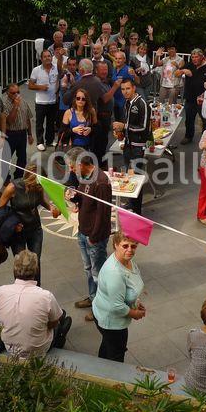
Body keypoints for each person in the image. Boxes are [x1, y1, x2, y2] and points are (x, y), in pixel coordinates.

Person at [0, 250, 72, 359]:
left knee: (54, 314)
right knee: (58, 319)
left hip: (10, 347)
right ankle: (60, 336)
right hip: (38, 349)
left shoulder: (1, 291)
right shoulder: (45, 296)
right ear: (36, 271)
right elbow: (53, 322)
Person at [65, 147, 112, 321]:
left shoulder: (101, 182)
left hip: (94, 236)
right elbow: (85, 198)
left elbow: (103, 213)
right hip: (83, 231)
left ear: (82, 163)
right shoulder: (84, 177)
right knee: (88, 269)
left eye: (72, 166)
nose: (70, 169)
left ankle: (101, 307)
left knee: (98, 274)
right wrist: (74, 197)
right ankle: (93, 298)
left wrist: (94, 237)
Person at [0, 164, 59, 284]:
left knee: (35, 261)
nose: (38, 187)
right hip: (18, 231)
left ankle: (36, 289)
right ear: (28, 180)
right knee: (21, 264)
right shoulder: (12, 188)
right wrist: (12, 225)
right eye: (35, 184)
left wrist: (51, 208)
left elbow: (40, 200)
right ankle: (19, 290)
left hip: (35, 228)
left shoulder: (38, 186)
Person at [92, 232, 146, 362]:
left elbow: (130, 285)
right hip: (112, 322)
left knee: (107, 346)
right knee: (116, 355)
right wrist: (134, 313)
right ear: (115, 245)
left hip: (107, 314)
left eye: (133, 246)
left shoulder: (127, 261)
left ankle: (100, 367)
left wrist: (135, 302)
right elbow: (116, 306)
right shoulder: (114, 273)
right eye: (125, 246)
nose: (129, 250)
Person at [112, 77, 150, 214]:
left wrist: (124, 126)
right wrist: (120, 133)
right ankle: (130, 204)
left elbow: (144, 128)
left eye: (128, 88)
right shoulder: (127, 103)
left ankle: (137, 211)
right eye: (122, 89)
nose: (125, 92)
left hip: (138, 147)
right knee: (130, 177)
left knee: (136, 179)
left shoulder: (142, 103)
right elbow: (126, 125)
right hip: (128, 145)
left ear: (134, 88)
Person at [178, 49, 206, 144]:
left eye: (196, 57)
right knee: (189, 119)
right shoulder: (189, 65)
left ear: (202, 57)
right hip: (189, 98)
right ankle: (188, 136)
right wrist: (182, 71)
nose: (194, 59)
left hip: (203, 100)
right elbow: (176, 74)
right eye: (192, 57)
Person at [29, 49, 61, 151]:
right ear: (41, 59)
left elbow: (60, 80)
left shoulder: (56, 68)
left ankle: (50, 140)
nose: (47, 58)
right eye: (45, 56)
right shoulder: (36, 70)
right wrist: (40, 87)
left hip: (53, 101)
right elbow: (30, 85)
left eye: (49, 56)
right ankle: (39, 142)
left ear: (51, 57)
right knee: (39, 123)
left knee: (51, 123)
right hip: (40, 102)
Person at [2, 83, 34, 180]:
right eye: (13, 93)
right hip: (10, 134)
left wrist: (30, 134)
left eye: (18, 92)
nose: (16, 95)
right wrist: (15, 106)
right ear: (7, 93)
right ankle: (5, 179)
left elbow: (27, 118)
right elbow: (10, 121)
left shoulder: (23, 101)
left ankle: (18, 178)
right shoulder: (4, 104)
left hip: (22, 133)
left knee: (22, 159)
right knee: (6, 159)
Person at [57, 56, 80, 131]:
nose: (71, 67)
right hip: (64, 107)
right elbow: (63, 93)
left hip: (75, 108)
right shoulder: (62, 75)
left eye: (73, 65)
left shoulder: (80, 77)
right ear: (67, 65)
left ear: (77, 66)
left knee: (74, 130)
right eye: (69, 65)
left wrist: (73, 83)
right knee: (63, 131)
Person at [111, 51, 133, 122]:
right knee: (117, 122)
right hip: (115, 101)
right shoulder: (114, 69)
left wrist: (135, 75)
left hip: (124, 102)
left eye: (120, 58)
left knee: (123, 122)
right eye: (116, 58)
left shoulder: (128, 69)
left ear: (124, 59)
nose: (117, 60)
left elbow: (136, 82)